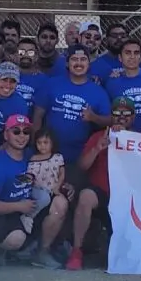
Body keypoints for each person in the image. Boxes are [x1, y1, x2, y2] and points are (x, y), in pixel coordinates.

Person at [0, 114, 67, 269]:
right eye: (16, 131)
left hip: (28, 209)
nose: (21, 136)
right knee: (15, 239)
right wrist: (18, 207)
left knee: (59, 203)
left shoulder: (33, 156)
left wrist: (67, 185)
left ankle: (42, 252)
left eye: (26, 132)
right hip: (3, 213)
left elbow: (54, 170)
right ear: (6, 135)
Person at [67, 97, 137, 270]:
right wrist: (97, 148)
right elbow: (82, 166)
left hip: (127, 199)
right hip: (101, 194)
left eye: (126, 113)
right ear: (111, 116)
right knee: (85, 197)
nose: (122, 117)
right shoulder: (99, 136)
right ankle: (76, 252)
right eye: (117, 113)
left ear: (133, 117)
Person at [32, 45, 112, 185]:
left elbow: (109, 120)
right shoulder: (52, 84)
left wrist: (94, 117)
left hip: (77, 156)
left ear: (89, 63)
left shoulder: (98, 92)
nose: (79, 63)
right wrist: (35, 144)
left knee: (70, 195)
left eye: (83, 59)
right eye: (74, 59)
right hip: (48, 152)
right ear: (67, 63)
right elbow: (38, 115)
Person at [104, 38, 141, 134]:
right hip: (124, 138)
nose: (132, 57)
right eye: (128, 53)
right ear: (120, 57)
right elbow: (109, 113)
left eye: (136, 53)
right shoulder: (112, 83)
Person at [25, 128, 69, 237]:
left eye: (45, 142)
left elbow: (61, 174)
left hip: (51, 190)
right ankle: (28, 216)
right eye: (39, 143)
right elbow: (30, 175)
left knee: (53, 202)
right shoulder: (33, 158)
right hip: (37, 189)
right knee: (44, 198)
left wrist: (57, 187)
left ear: (52, 143)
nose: (42, 146)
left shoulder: (58, 157)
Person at [0, 38, 50, 112]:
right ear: (16, 55)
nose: (26, 55)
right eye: (21, 52)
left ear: (36, 57)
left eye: (30, 52)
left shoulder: (44, 81)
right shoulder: (4, 75)